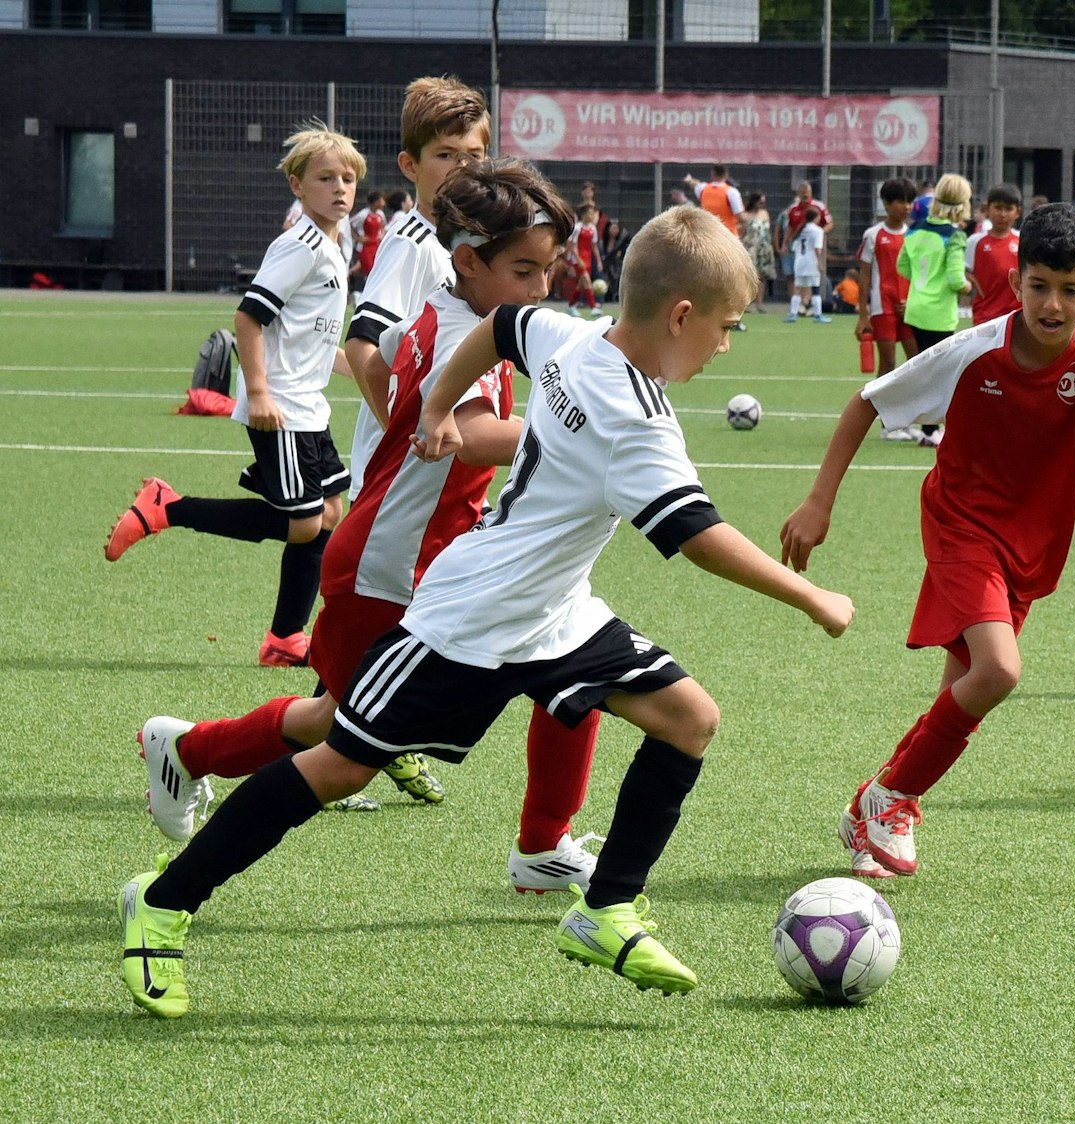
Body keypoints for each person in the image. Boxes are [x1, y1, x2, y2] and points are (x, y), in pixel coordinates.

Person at [117, 206, 856, 1020]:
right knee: (339, 765)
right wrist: (814, 598)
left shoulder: (572, 336)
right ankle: (162, 901)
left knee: (688, 718)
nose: (724, 345)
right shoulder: (636, 422)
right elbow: (699, 537)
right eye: (725, 327)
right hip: (467, 619)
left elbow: (503, 325)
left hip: (554, 614)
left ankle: (605, 911)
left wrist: (438, 408)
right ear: (681, 316)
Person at [136, 161, 607, 886]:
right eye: (526, 271)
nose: (541, 290)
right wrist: (581, 429)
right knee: (339, 732)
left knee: (575, 658)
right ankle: (188, 753)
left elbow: (384, 357)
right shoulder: (464, 334)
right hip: (389, 569)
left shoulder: (449, 313)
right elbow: (477, 436)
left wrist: (415, 447)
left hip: (428, 557)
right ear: (470, 261)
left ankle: (544, 843)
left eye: (547, 270)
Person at [777, 204, 1075, 880]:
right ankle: (885, 801)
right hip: (960, 523)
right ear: (1015, 280)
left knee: (964, 689)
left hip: (1030, 548)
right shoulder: (973, 351)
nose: (1052, 304)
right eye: (1038, 286)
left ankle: (880, 805)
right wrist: (819, 501)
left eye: (1070, 289)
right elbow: (866, 402)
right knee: (998, 671)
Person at [105, 126, 364, 676]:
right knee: (302, 523)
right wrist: (261, 392)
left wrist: (363, 373)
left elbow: (313, 339)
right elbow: (249, 316)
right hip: (283, 406)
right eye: (325, 178)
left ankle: (284, 638)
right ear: (297, 184)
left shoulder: (336, 246)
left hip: (309, 403)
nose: (340, 188)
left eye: (348, 178)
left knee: (330, 515)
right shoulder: (300, 245)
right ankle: (166, 508)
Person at [343, 77, 489, 507]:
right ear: (410, 166)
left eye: (473, 156)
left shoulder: (460, 243)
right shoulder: (413, 242)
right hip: (397, 483)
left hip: (434, 481)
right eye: (445, 155)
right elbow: (362, 347)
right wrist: (404, 435)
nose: (461, 167)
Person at [896, 174, 975, 448]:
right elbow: (955, 278)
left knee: (925, 368)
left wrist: (922, 280)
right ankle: (932, 431)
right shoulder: (954, 236)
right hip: (939, 313)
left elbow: (902, 267)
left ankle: (926, 427)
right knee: (941, 372)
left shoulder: (915, 228)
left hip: (916, 308)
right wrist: (966, 286)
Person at [856, 176, 918, 394]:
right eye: (900, 201)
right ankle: (886, 426)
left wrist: (913, 302)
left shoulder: (915, 235)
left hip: (910, 308)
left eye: (910, 201)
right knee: (888, 363)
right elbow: (863, 277)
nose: (906, 207)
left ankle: (914, 422)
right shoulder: (873, 234)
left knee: (918, 362)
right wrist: (863, 315)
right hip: (883, 308)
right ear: (886, 203)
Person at [966, 184, 1023, 327]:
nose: (1002, 214)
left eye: (1008, 209)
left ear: (1017, 212)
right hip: (984, 315)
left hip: (1015, 315)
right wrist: (975, 285)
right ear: (987, 210)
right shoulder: (975, 241)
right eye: (998, 208)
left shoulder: (1022, 240)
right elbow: (964, 270)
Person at [787, 212, 829, 323]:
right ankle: (818, 315)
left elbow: (794, 247)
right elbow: (817, 249)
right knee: (815, 289)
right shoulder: (818, 230)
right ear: (816, 217)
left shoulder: (801, 229)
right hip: (811, 263)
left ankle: (792, 314)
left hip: (799, 263)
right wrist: (820, 263)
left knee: (797, 289)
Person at [737, 191, 776, 313]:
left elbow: (768, 231)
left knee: (762, 276)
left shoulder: (764, 214)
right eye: (760, 202)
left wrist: (771, 246)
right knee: (748, 276)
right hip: (751, 247)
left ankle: (759, 304)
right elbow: (742, 232)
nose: (762, 204)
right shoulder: (746, 215)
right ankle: (746, 303)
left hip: (763, 247)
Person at [693, 163, 743, 235]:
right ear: (726, 174)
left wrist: (689, 180)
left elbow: (694, 184)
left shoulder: (702, 189)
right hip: (728, 236)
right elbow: (740, 217)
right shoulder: (732, 192)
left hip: (707, 235)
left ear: (712, 173)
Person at [570, 202, 601, 316]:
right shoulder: (578, 228)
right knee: (586, 281)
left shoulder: (593, 228)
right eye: (590, 213)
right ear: (583, 215)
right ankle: (593, 307)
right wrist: (578, 260)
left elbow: (594, 246)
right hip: (578, 259)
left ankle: (571, 305)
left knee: (581, 285)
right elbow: (573, 246)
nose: (592, 216)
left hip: (588, 259)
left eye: (593, 214)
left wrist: (598, 261)